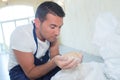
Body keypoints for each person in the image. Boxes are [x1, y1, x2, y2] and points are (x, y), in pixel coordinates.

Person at [8, 1, 82, 80]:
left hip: (40, 66)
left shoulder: (52, 35)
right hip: (21, 71)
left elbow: (55, 57)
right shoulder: (21, 35)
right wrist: (54, 62)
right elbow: (31, 74)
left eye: (59, 27)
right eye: (53, 27)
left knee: (71, 72)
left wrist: (70, 60)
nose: (57, 33)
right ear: (37, 23)